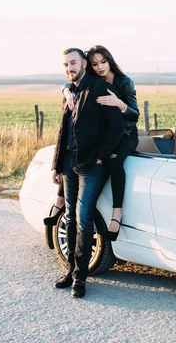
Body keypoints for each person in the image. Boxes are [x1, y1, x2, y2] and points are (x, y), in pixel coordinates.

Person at [51, 48, 125, 298]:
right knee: (70, 216)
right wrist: (56, 165)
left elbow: (116, 127)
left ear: (84, 62)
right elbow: (63, 131)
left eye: (73, 63)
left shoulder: (100, 88)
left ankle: (80, 278)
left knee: (84, 219)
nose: (69, 68)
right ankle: (70, 269)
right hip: (70, 163)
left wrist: (100, 156)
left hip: (92, 166)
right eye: (65, 65)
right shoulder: (69, 91)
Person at [60, 45, 139, 241]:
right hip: (108, 135)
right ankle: (60, 197)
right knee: (73, 159)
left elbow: (135, 115)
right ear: (88, 65)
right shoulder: (94, 83)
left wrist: (119, 104)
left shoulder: (124, 82)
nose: (100, 67)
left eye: (103, 62)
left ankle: (117, 213)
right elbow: (69, 83)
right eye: (95, 64)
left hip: (127, 133)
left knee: (113, 160)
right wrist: (66, 92)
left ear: (109, 61)